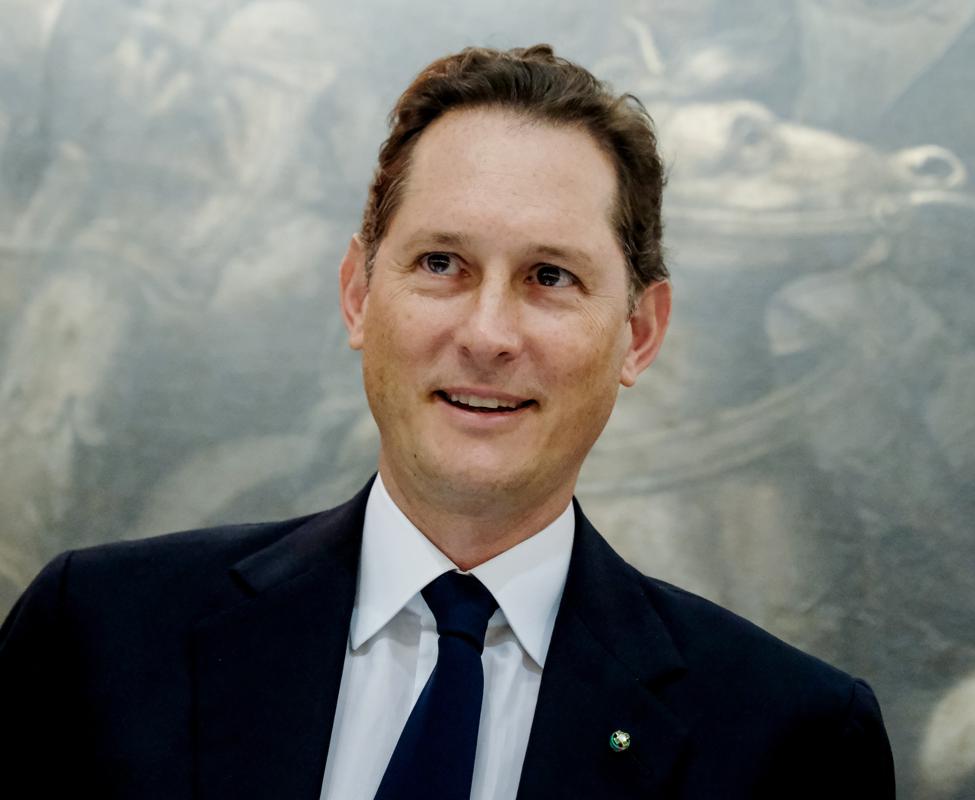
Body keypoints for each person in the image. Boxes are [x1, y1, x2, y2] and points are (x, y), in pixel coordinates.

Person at [0, 44, 894, 798]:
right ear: (359, 295)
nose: (488, 334)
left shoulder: (796, 741)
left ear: (640, 333)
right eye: (440, 263)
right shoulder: (95, 637)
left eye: (551, 277)